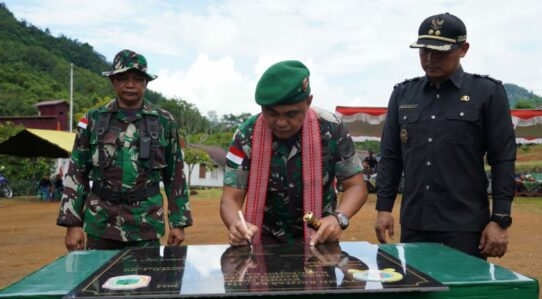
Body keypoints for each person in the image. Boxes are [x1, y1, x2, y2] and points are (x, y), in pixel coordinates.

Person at [374, 13, 516, 259]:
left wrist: (500, 219)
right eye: (423, 51)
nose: (430, 59)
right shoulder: (403, 95)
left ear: (463, 49)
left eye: (440, 52)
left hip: (465, 227)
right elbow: (390, 156)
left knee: (462, 296)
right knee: (417, 293)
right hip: (415, 223)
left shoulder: (487, 93)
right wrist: (383, 209)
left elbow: (503, 159)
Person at [220, 60, 368, 246]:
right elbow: (230, 198)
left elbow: (356, 186)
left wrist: (338, 218)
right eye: (272, 113)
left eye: (291, 114)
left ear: (308, 102)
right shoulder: (245, 135)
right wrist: (237, 225)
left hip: (320, 241)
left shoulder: (332, 128)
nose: (281, 122)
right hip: (261, 243)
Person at [57, 49, 192, 251]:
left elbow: (175, 175)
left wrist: (178, 222)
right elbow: (77, 172)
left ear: (146, 83)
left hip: (146, 223)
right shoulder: (93, 120)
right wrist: (73, 224)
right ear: (113, 82)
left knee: (147, 281)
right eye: (123, 78)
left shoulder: (164, 121)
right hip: (101, 223)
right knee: (99, 281)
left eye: (137, 79)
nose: (130, 84)